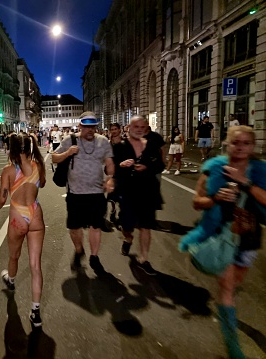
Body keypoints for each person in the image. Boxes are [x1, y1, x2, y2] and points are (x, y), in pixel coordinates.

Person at [179, 126, 266, 359]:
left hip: (249, 235)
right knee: (227, 287)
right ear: (228, 143)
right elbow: (197, 202)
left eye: (246, 143)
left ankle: (226, 309)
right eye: (236, 142)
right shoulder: (214, 167)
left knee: (235, 284)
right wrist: (215, 198)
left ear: (252, 146)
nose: (240, 147)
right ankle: (233, 347)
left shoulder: (260, 170)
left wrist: (244, 182)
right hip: (219, 233)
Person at [0, 133, 46, 327]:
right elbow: (42, 184)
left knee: (14, 256)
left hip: (18, 218)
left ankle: (11, 280)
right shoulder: (39, 165)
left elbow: (3, 198)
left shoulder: (9, 170)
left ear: (11, 149)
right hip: (36, 214)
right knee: (35, 265)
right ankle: (36, 311)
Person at [52, 111, 115, 272]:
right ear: (80, 126)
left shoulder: (103, 141)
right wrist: (68, 153)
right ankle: (79, 250)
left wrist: (110, 178)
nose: (90, 130)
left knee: (96, 226)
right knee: (74, 228)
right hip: (75, 194)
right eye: (86, 127)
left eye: (92, 127)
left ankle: (94, 257)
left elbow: (109, 163)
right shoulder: (70, 140)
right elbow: (54, 157)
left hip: (96, 193)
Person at [113, 115, 164, 275]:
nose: (140, 130)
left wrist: (148, 167)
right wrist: (121, 165)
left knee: (145, 226)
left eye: (143, 127)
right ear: (129, 128)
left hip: (148, 191)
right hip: (128, 192)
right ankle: (128, 238)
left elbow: (160, 165)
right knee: (126, 225)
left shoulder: (151, 145)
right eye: (137, 127)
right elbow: (111, 168)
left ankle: (144, 259)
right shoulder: (120, 146)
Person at [107, 123, 123, 226]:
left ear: (119, 130)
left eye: (115, 129)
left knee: (123, 195)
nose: (114, 131)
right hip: (113, 172)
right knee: (112, 195)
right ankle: (113, 210)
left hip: (124, 172)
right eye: (112, 129)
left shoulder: (125, 142)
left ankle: (122, 215)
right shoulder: (108, 143)